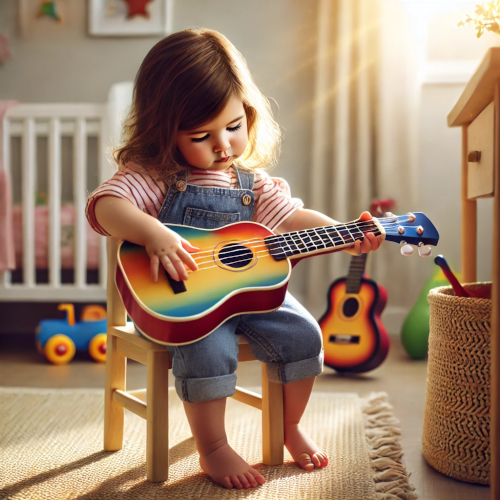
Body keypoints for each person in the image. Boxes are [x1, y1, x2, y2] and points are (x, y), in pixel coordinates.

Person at [86, 28, 383, 490]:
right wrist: (154, 233)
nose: (223, 145)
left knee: (305, 334)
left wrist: (343, 234)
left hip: (252, 298)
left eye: (234, 126)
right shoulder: (154, 175)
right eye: (202, 136)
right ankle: (213, 447)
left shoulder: (252, 183)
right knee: (210, 350)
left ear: (248, 114)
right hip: (182, 306)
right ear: (163, 131)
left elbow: (292, 217)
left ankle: (289, 427)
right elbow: (107, 206)